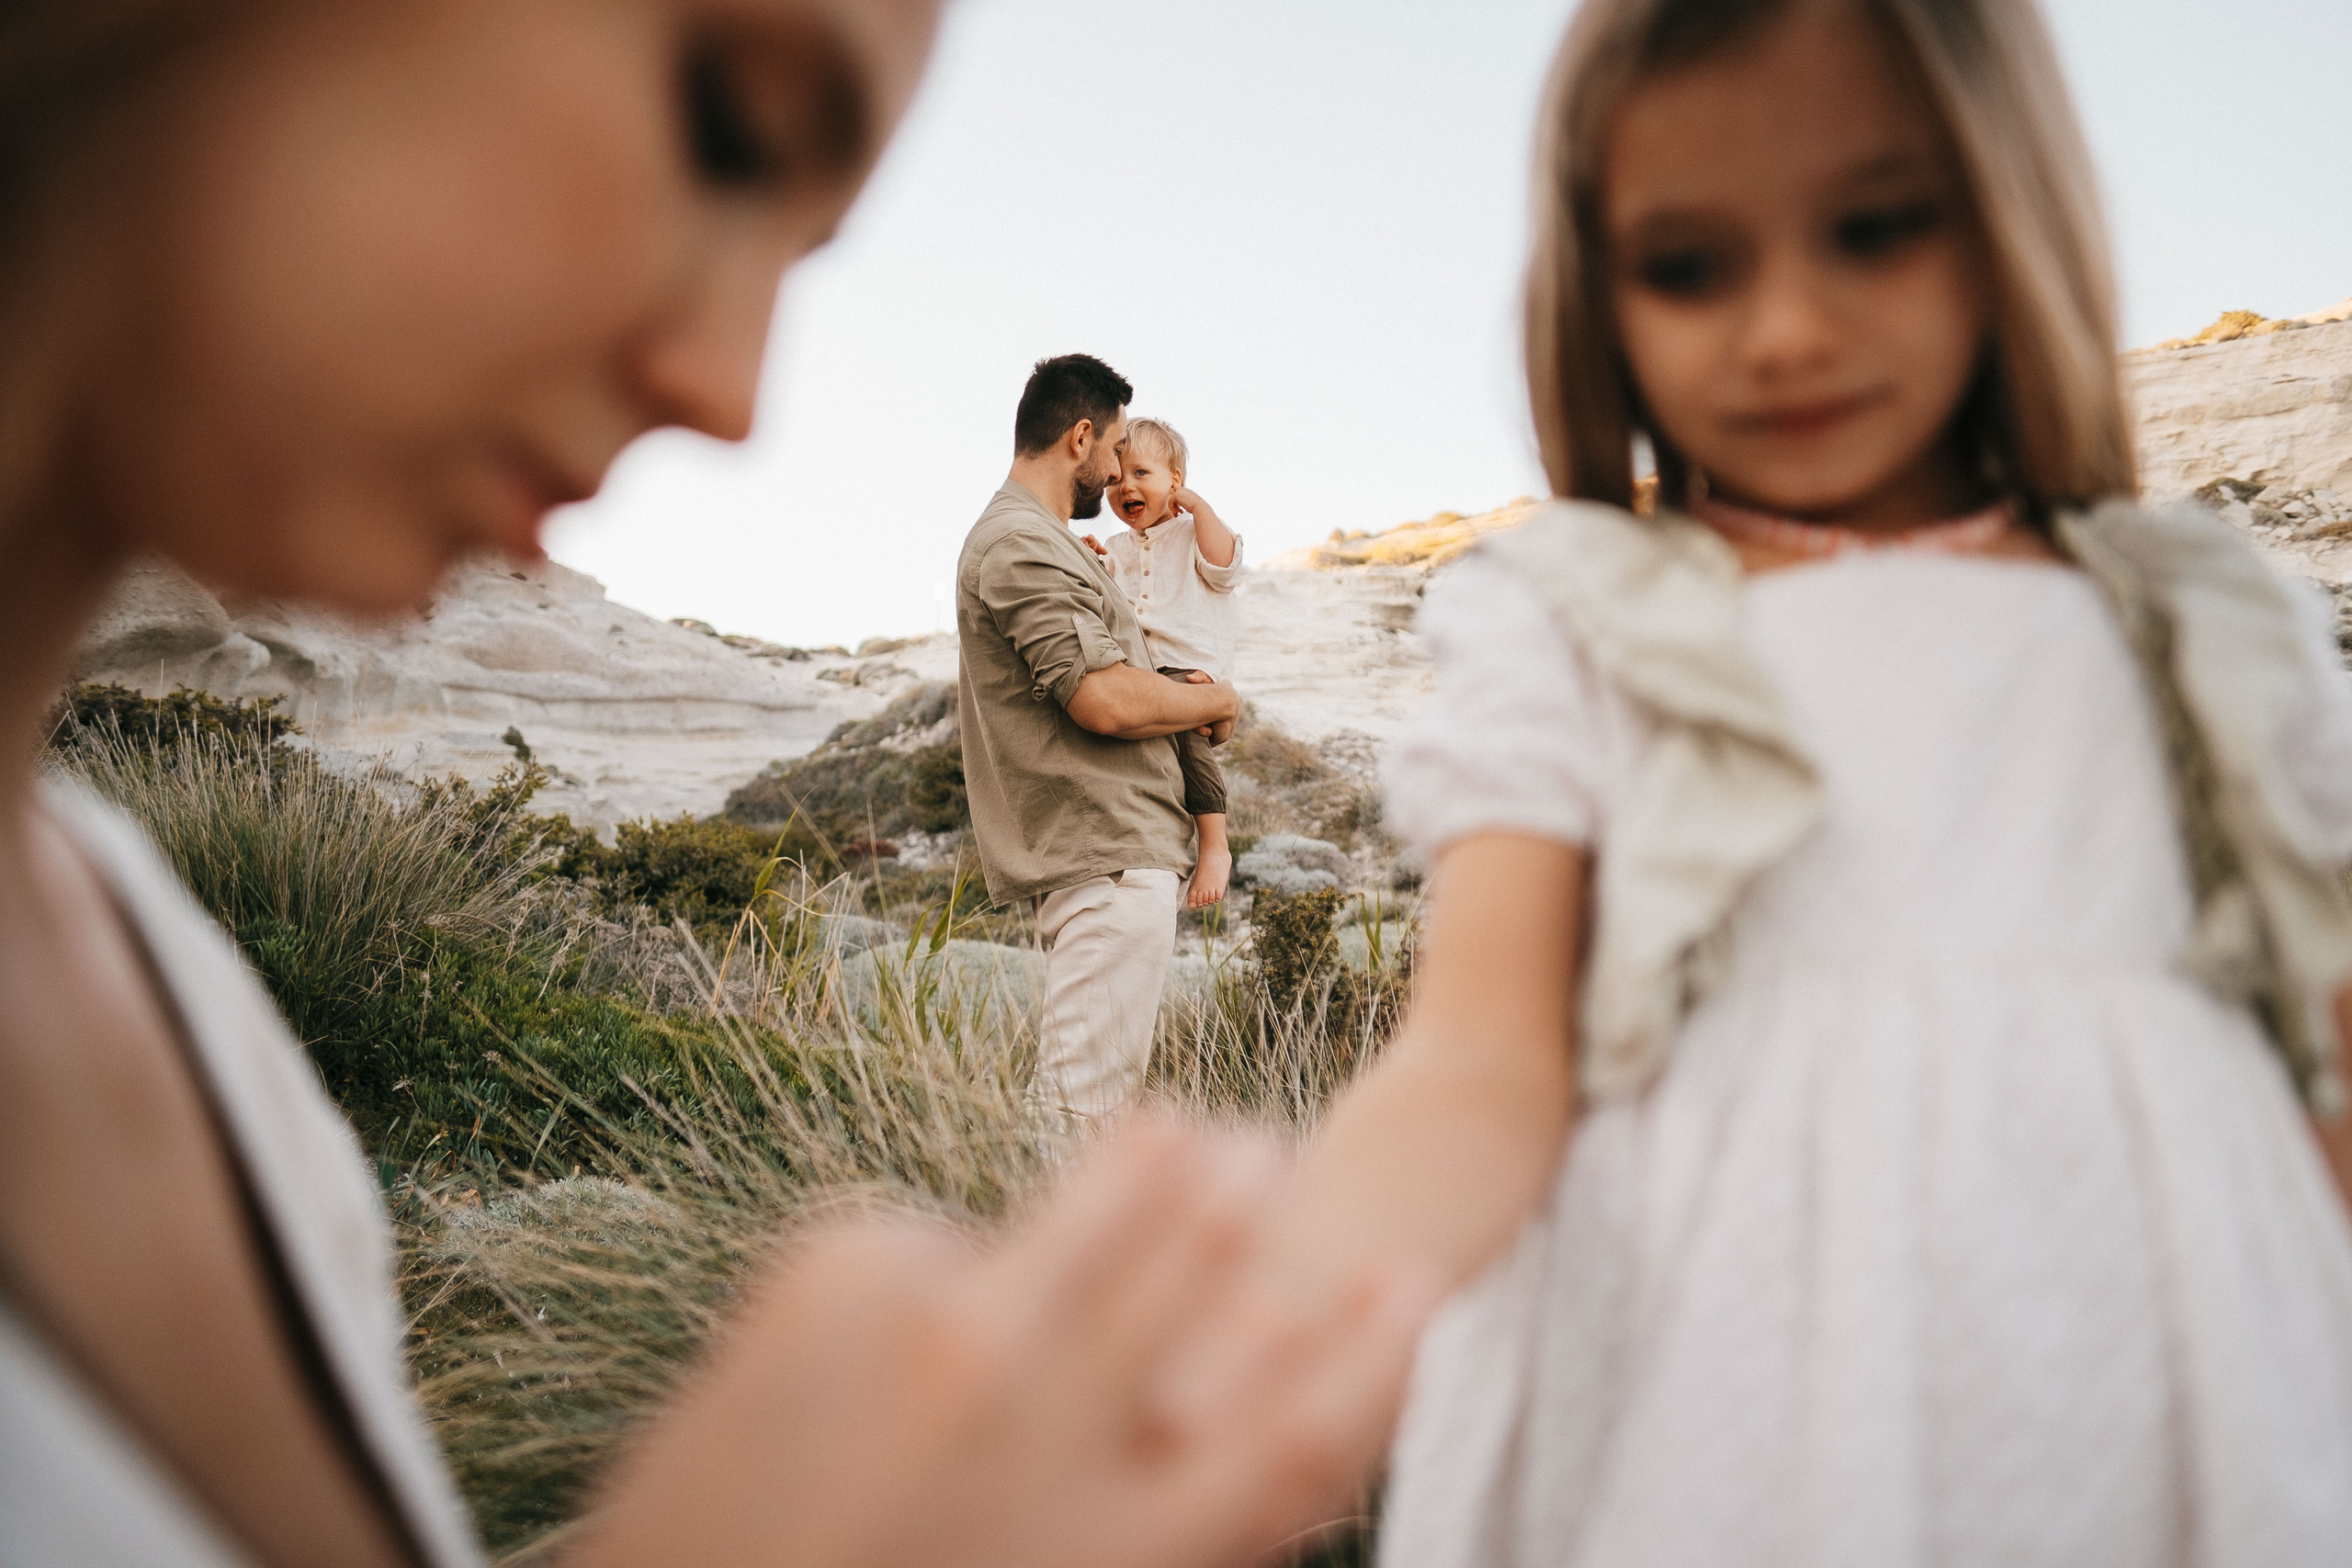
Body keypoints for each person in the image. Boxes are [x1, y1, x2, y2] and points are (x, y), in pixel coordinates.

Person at [0, 6, 1432, 1566]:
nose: (730, 390)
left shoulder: (162, 978)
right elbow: (1108, 690)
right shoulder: (1025, 545)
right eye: (727, 126)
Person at [1244, 0, 2352, 1562]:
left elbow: (2326, 1042)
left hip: (2158, 1387)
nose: (1783, 327)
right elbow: (1480, 1060)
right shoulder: (1587, 622)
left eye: (1875, 229)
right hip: (1717, 1383)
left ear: (2004, 213)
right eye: (1688, 265)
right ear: (1597, 286)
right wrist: (1295, 1314)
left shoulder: (2198, 620)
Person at [955, 356, 1241, 1120]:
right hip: (1107, 857)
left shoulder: (1047, 544)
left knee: (1090, 1102)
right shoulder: (1022, 544)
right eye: (1116, 450)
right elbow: (1104, 699)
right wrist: (1218, 697)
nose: (1119, 471)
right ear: (1081, 438)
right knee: (1082, 1110)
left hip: (1113, 854)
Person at [1095, 417, 1244, 912]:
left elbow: (1224, 566)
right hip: (1139, 673)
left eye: (1141, 473)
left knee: (1190, 746)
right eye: (1115, 478)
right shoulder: (1116, 548)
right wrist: (1092, 557)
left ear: (1174, 482)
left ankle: (1215, 845)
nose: (1126, 486)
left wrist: (1200, 507)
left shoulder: (1190, 532)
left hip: (1186, 670)